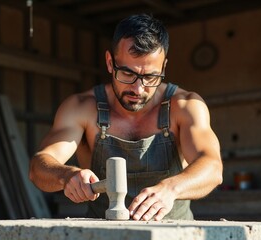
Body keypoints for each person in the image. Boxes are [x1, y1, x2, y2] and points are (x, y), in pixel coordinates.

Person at [29, 14, 223, 221]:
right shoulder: (82, 108)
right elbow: (38, 167)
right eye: (128, 74)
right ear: (110, 62)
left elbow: (212, 167)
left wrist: (171, 188)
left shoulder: (185, 105)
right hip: (103, 235)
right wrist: (66, 175)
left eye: (150, 77)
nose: (138, 88)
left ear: (163, 67)